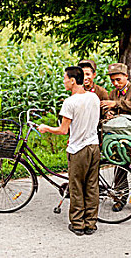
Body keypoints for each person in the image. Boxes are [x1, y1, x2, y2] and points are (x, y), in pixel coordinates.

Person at [38, 66, 101, 236]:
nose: (64, 81)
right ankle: (91, 223)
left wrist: (45, 128)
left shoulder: (70, 102)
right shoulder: (94, 97)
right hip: (94, 147)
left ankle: (78, 224)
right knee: (92, 185)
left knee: (76, 186)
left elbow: (63, 130)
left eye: (65, 78)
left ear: (73, 80)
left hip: (78, 150)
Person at [100, 63, 131, 215]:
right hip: (119, 136)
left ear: (126, 76)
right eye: (113, 80)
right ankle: (120, 198)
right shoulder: (112, 93)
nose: (115, 83)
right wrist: (109, 114)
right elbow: (110, 111)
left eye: (118, 80)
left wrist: (116, 104)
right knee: (120, 167)